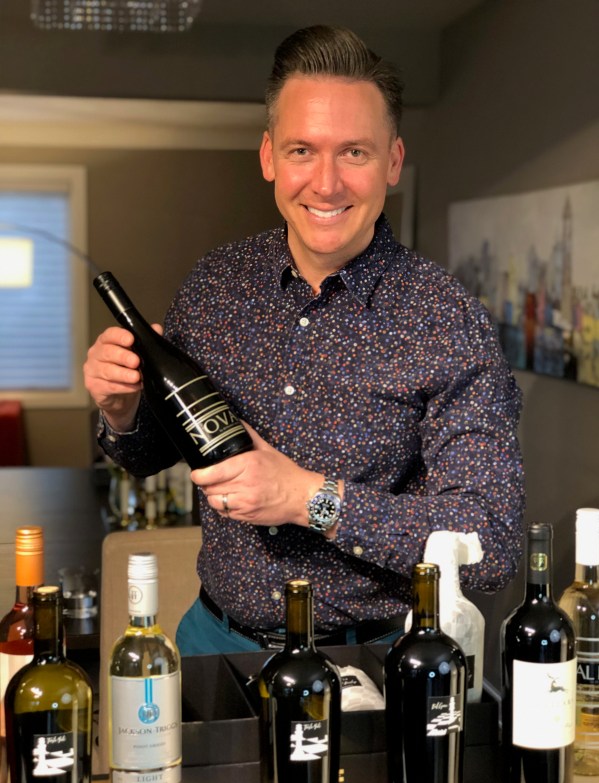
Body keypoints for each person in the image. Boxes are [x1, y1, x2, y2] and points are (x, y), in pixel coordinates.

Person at [84, 25, 525, 655]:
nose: (325, 183)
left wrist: (308, 498)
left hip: (370, 660)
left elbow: (490, 544)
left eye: (354, 152)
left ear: (393, 161)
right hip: (213, 643)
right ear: (269, 157)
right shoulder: (215, 286)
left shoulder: (447, 320)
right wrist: (122, 410)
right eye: (301, 150)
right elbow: (153, 452)